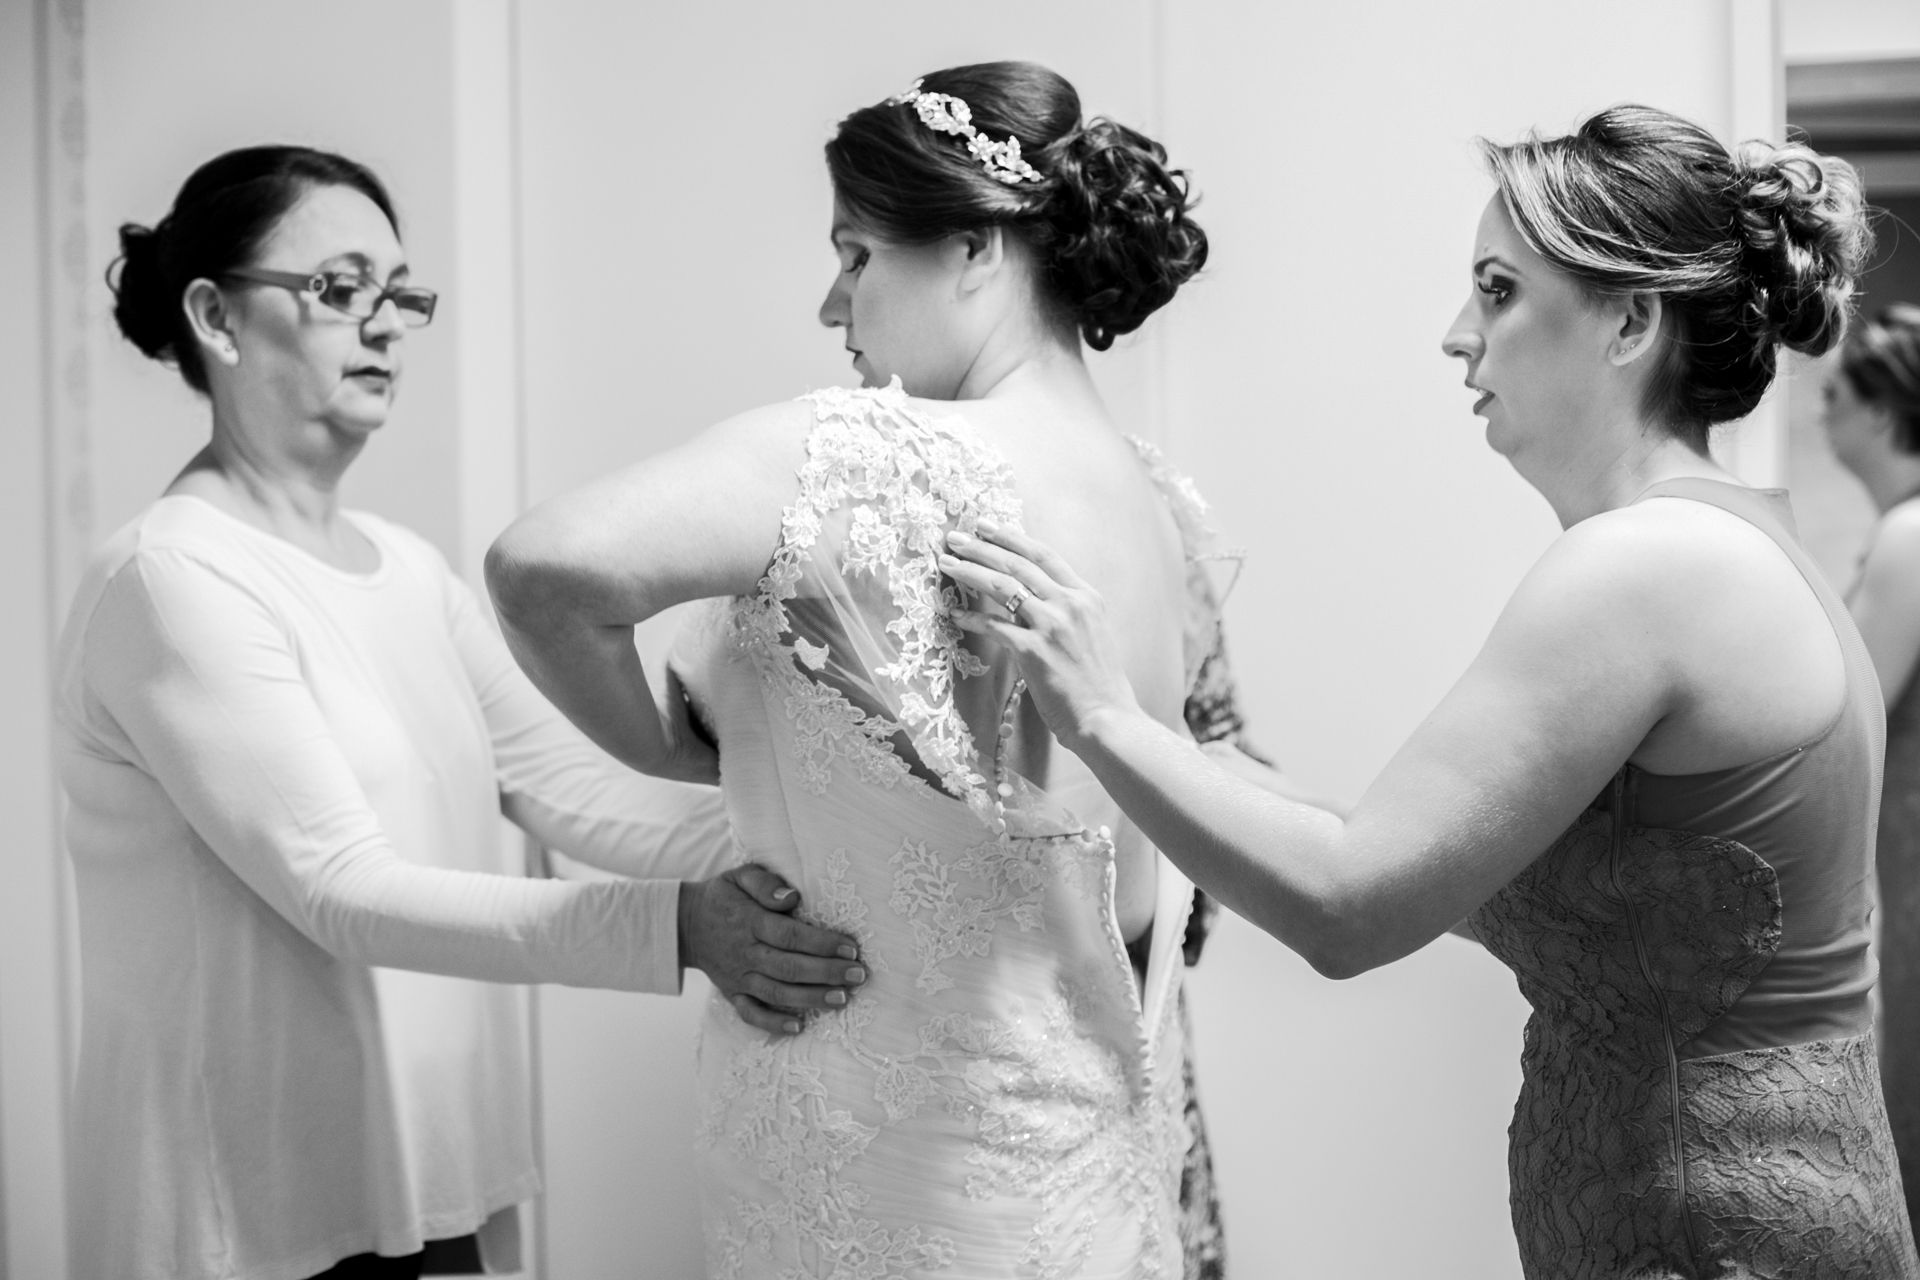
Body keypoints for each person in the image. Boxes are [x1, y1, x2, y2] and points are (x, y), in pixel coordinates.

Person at [941, 105, 1920, 1277]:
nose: (1458, 336)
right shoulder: (1732, 540)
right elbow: (1440, 859)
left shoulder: (1647, 566)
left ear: (1628, 320)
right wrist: (1212, 754)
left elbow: (1353, 906)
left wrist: (1102, 714)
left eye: (1499, 291)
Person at [488, 60, 1299, 1280]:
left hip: (883, 1181)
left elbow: (540, 566)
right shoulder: (1156, 504)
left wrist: (660, 746)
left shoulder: (875, 454)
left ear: (976, 248)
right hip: (1084, 1174)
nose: (835, 301)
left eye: (858, 252)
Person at [58, 145, 866, 1280]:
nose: (383, 325)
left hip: (433, 1173)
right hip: (249, 1207)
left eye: (399, 294)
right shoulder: (171, 579)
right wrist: (680, 928)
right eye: (340, 289)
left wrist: (829, 845)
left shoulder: (406, 567)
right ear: (215, 316)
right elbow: (341, 886)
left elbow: (573, 790)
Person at [1823, 302, 1920, 1232]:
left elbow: (1853, 725)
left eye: (1837, 394)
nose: (1823, 412)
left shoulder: (1910, 534)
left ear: (1884, 408)